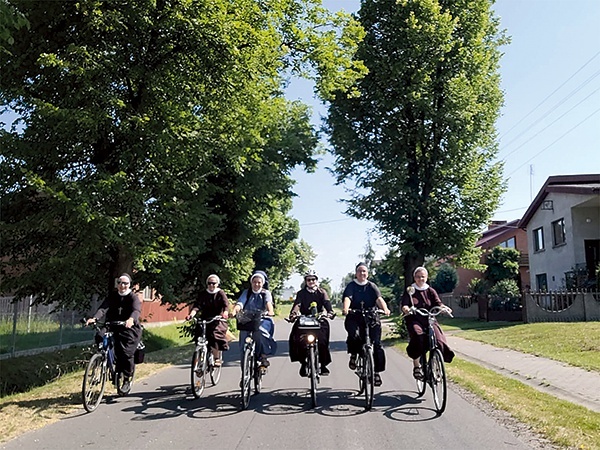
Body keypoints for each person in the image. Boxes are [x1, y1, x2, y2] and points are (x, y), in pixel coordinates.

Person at [86, 273, 142, 393]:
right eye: (120, 283)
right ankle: (102, 358)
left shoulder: (133, 297)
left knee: (126, 353)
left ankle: (126, 378)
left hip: (129, 328)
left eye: (125, 283)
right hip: (112, 325)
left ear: (129, 285)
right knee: (100, 335)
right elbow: (103, 308)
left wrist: (131, 319)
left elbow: (136, 310)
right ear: (117, 284)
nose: (122, 285)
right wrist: (94, 318)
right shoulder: (113, 296)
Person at [401, 266, 455, 380]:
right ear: (414, 278)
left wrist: (444, 308)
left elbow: (438, 302)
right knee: (418, 336)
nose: (420, 279)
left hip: (429, 318)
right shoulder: (410, 290)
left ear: (426, 277)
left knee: (439, 339)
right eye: (418, 277)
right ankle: (416, 365)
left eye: (423, 277)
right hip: (415, 319)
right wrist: (406, 309)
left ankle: (435, 362)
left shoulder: (430, 290)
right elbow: (405, 304)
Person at [342, 262, 391, 387]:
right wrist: (346, 308)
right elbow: (348, 298)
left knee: (377, 345)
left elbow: (379, 299)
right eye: (359, 271)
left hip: (371, 317)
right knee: (355, 335)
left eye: (364, 271)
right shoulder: (351, 286)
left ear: (367, 274)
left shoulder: (372, 286)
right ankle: (354, 355)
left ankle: (376, 373)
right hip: (355, 316)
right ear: (356, 273)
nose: (362, 273)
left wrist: (385, 309)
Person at [288, 269, 335, 377]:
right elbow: (297, 304)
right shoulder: (301, 293)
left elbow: (327, 303)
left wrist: (330, 312)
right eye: (308, 279)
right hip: (304, 319)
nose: (311, 281)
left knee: (323, 341)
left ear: (316, 280)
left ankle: (323, 365)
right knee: (296, 339)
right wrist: (293, 314)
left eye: (313, 279)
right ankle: (303, 363)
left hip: (318, 318)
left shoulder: (322, 292)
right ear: (306, 281)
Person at [232, 270, 276, 369]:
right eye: (254, 282)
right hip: (247, 319)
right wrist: (235, 311)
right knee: (243, 346)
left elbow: (268, 303)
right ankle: (244, 373)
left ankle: (263, 356)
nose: (256, 284)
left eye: (259, 282)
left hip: (262, 318)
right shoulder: (246, 292)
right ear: (251, 282)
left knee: (262, 333)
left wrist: (270, 311)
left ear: (262, 283)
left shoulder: (266, 293)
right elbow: (240, 303)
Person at [186, 274, 230, 366]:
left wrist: (225, 313)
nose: (211, 285)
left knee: (215, 335)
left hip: (217, 319)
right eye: (209, 283)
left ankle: (216, 357)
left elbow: (226, 305)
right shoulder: (203, 294)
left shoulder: (220, 293)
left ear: (217, 284)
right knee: (199, 335)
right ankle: (199, 360)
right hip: (205, 319)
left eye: (213, 283)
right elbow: (197, 306)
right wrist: (191, 315)